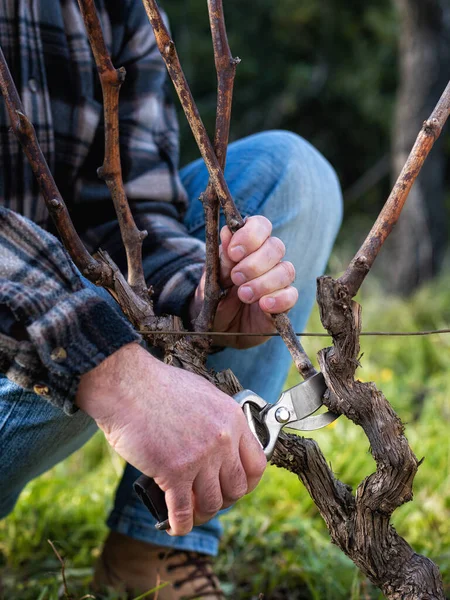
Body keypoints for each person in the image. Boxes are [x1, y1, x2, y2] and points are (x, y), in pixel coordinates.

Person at [0, 1, 342, 598]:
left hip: (63, 330)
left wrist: (207, 294)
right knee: (87, 331)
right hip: (30, 352)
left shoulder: (115, 8)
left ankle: (154, 553)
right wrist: (115, 373)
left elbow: (125, 215)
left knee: (293, 174)